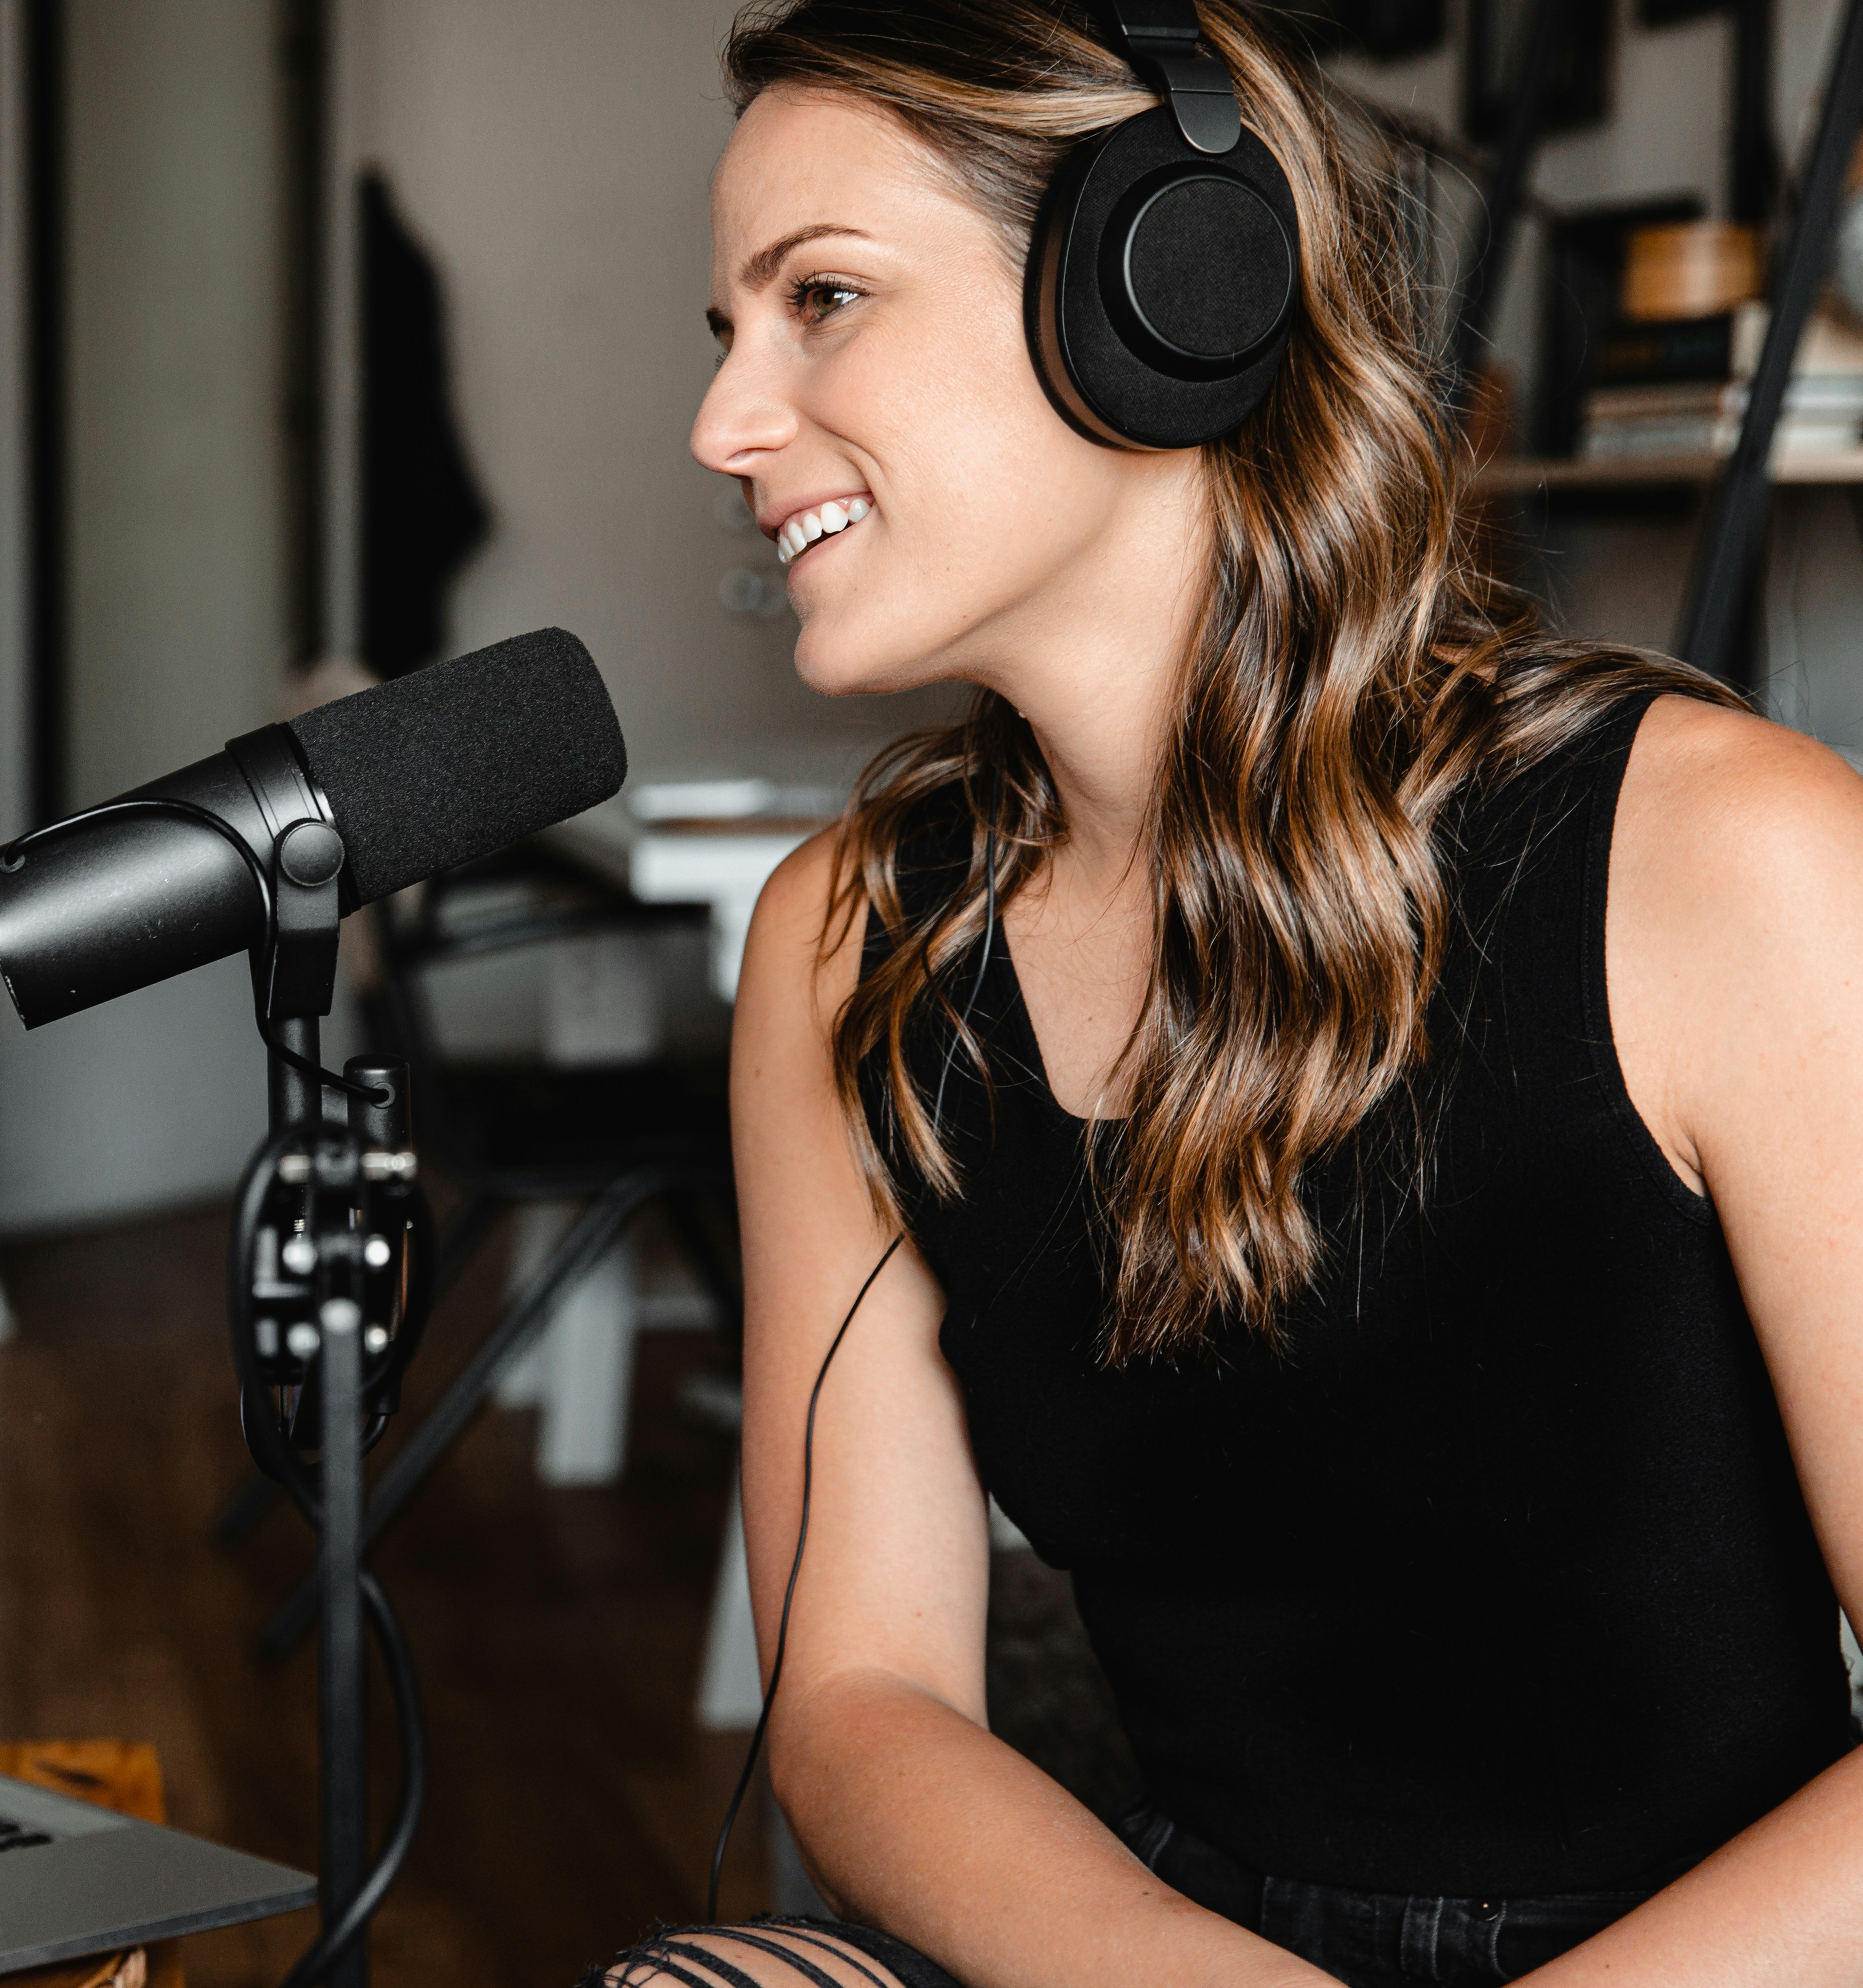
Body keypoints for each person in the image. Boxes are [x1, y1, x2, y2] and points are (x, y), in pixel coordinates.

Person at [598, 4, 1863, 1985]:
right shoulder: (846, 942)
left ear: (1164, 287)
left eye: (820, 299)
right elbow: (856, 1690)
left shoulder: (1720, 859)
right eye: (723, 332)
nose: (722, 423)